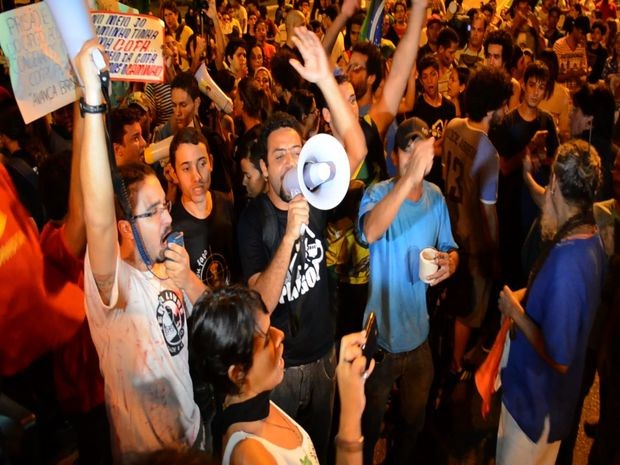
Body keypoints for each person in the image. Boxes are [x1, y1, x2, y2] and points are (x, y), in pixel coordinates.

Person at [236, 26, 366, 465]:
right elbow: (260, 303)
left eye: (297, 152)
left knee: (321, 449)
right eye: (279, 157)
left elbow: (357, 147)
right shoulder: (252, 223)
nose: (292, 163)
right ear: (263, 169)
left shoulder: (316, 193)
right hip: (282, 369)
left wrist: (326, 80)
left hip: (323, 354)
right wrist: (291, 234)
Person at [75, 40, 207, 463]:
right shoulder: (114, 284)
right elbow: (96, 217)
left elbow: (210, 315)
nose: (168, 219)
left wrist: (188, 278)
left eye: (164, 206)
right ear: (123, 229)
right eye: (152, 212)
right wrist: (93, 106)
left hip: (194, 434)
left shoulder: (170, 258)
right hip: (145, 455)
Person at [496, 140, 606, 465]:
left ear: (555, 183)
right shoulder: (587, 234)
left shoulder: (567, 265)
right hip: (549, 404)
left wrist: (515, 312)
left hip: (534, 411)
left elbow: (559, 358)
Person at [359, 117, 459, 465]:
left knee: (413, 424)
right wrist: (408, 181)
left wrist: (451, 263)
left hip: (419, 339)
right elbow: (369, 232)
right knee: (367, 429)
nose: (415, 158)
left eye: (421, 150)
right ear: (393, 156)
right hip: (380, 342)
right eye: (407, 151)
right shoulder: (377, 193)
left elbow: (450, 246)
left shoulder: (435, 198)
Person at [189, 286, 373, 465]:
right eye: (267, 337)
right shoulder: (250, 456)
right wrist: (351, 413)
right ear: (238, 373)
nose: (280, 335)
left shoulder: (259, 405)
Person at [441, 65, 513, 385]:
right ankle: (456, 364)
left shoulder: (454, 125)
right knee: (469, 308)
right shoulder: (488, 152)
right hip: (472, 242)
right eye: (504, 105)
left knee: (450, 296)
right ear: (492, 107)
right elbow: (488, 213)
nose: (506, 111)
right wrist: (494, 249)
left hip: (447, 227)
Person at [168, 127, 237, 288]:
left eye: (202, 163)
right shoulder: (173, 227)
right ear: (173, 174)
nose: (197, 176)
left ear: (211, 163)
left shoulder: (225, 204)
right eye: (186, 168)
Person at [484, 28, 521, 110]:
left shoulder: (513, 86)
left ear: (505, 60)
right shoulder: (479, 82)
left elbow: (511, 121)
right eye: (489, 56)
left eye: (496, 57)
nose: (491, 61)